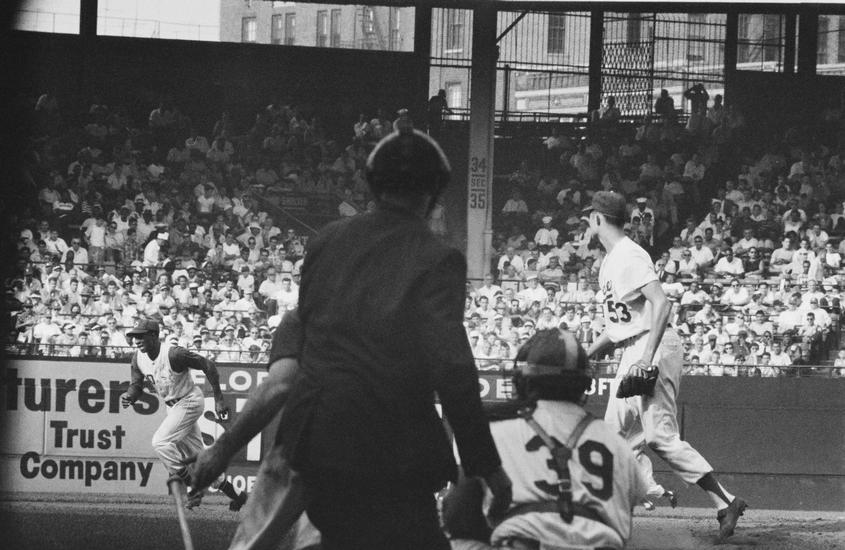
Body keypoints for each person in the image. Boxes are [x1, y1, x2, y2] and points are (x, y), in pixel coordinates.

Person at [277, 127, 510, 550]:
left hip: (314, 445)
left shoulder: (326, 240)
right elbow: (453, 369)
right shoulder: (438, 258)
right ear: (434, 191)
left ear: (372, 183)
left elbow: (306, 334)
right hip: (391, 451)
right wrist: (485, 464)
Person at [583, 191, 747, 541]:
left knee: (659, 436)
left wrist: (646, 357)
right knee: (613, 437)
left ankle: (725, 501)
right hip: (633, 345)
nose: (587, 223)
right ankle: (614, 515)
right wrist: (586, 354)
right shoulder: (610, 261)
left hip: (652, 345)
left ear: (598, 219)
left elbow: (662, 303)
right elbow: (618, 327)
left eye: (589, 217)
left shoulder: (629, 254)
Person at [442, 329, 649, 550]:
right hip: (600, 545)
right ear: (584, 384)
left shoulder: (493, 430)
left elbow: (458, 514)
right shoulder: (616, 443)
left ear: (524, 380)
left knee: (461, 541)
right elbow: (627, 516)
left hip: (523, 542)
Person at [187, 310, 320, 550]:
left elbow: (278, 386)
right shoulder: (377, 318)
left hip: (305, 444)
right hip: (365, 449)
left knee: (251, 543)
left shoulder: (300, 318)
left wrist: (221, 451)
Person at [119, 317, 246, 511]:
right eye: (135, 337)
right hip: (173, 406)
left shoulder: (174, 354)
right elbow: (136, 385)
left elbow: (208, 365)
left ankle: (193, 488)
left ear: (153, 335)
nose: (136, 340)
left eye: (140, 336)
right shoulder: (138, 357)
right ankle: (237, 496)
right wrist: (130, 396)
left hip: (189, 400)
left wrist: (219, 399)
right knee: (198, 458)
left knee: (160, 442)